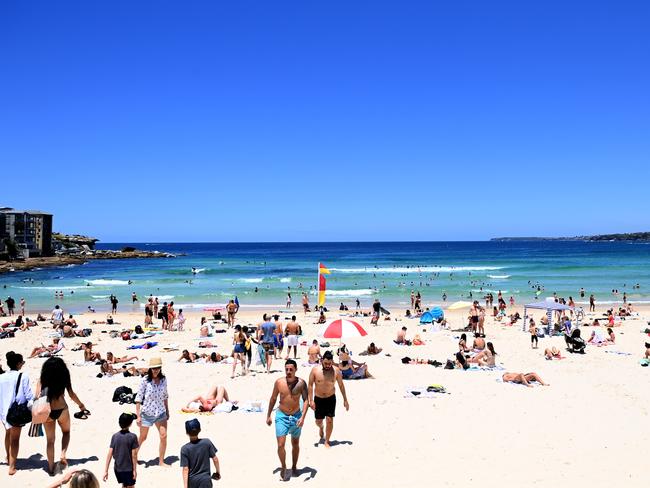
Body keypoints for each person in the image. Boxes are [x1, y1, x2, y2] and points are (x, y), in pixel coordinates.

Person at [36, 357, 87, 475]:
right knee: (66, 432)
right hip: (62, 409)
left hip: (47, 411)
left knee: (50, 441)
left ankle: (51, 468)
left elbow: (37, 396)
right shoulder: (64, 376)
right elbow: (71, 394)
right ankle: (63, 454)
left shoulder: (42, 379)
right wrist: (81, 406)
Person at [266, 359, 309, 481]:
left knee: (295, 443)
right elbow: (273, 398)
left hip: (296, 416)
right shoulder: (279, 382)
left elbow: (306, 400)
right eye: (287, 369)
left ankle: (294, 466)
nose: (288, 372)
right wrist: (268, 415)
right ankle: (284, 466)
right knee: (280, 444)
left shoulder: (301, 383)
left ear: (296, 369)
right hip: (282, 416)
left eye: (291, 369)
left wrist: (303, 417)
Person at [0, 352, 33, 475]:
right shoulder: (23, 376)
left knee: (8, 434)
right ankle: (12, 467)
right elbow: (28, 394)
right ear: (18, 363)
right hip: (16, 412)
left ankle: (9, 458)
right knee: (15, 438)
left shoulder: (1, 377)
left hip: (3, 411)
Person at [308, 351, 349, 448]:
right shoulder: (315, 370)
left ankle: (327, 440)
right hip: (318, 399)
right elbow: (310, 385)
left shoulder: (336, 371)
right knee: (318, 421)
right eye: (325, 363)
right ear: (322, 360)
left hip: (330, 398)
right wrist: (311, 400)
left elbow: (341, 385)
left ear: (332, 361)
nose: (327, 365)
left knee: (330, 420)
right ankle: (321, 428)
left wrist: (345, 400)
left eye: (329, 363)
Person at [135, 357, 170, 467]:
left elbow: (165, 395)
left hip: (160, 412)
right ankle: (133, 456)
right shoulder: (145, 380)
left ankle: (161, 461)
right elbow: (138, 398)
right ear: (150, 369)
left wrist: (167, 410)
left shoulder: (164, 379)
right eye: (154, 368)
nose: (156, 370)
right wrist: (138, 416)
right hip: (147, 413)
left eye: (158, 368)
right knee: (143, 437)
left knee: (163, 436)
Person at [181, 418, 221, 487]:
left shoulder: (185, 449)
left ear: (187, 433)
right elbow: (215, 459)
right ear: (200, 430)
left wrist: (185, 486)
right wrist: (218, 472)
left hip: (192, 481)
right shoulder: (207, 442)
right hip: (205, 480)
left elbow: (185, 469)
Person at [103, 413, 138, 488]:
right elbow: (134, 455)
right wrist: (134, 470)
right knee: (131, 486)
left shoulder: (115, 436)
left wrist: (106, 470)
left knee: (124, 484)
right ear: (130, 424)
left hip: (118, 469)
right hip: (129, 469)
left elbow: (110, 453)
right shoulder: (133, 437)